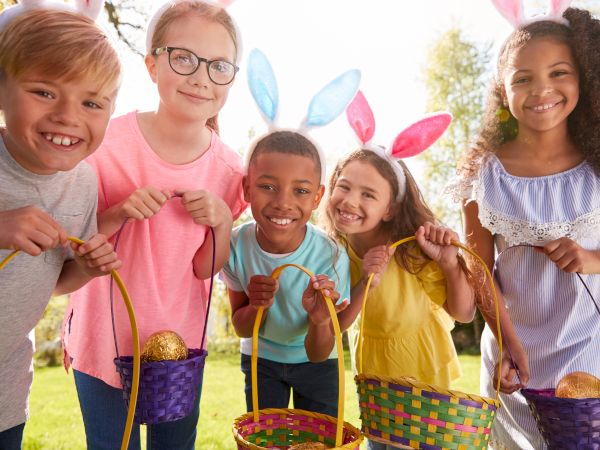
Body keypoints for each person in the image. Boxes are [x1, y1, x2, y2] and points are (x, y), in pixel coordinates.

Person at [62, 1, 247, 449]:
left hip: (180, 349)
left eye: (219, 66)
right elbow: (72, 246)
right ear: (151, 64)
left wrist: (222, 222)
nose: (202, 77)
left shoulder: (229, 169)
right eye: (184, 58)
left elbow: (207, 269)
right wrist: (119, 212)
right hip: (102, 339)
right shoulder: (106, 145)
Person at [448, 3, 600, 448]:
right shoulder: (485, 174)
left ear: (583, 78)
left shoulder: (596, 166)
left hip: (588, 347)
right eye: (523, 78)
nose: (542, 90)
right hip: (514, 357)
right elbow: (478, 267)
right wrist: (508, 343)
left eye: (559, 73)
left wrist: (591, 257)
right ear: (502, 88)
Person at [322, 93, 477, 450]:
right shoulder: (335, 251)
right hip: (377, 384)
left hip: (426, 380)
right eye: (343, 187)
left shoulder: (410, 250)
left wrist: (450, 263)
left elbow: (464, 312)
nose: (350, 201)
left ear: (390, 209)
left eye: (368, 195)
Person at [0, 4, 122, 449]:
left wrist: (87, 268)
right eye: (44, 92)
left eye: (92, 102)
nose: (69, 115)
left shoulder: (84, 180)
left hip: (5, 391)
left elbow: (51, 280)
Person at [222, 130, 351, 417]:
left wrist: (319, 320)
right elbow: (242, 328)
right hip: (261, 361)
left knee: (321, 443)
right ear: (246, 188)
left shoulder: (331, 256)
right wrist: (257, 305)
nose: (283, 202)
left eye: (301, 191)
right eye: (267, 186)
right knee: (262, 440)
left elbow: (319, 353)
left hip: (317, 364)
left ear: (317, 196)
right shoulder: (233, 246)